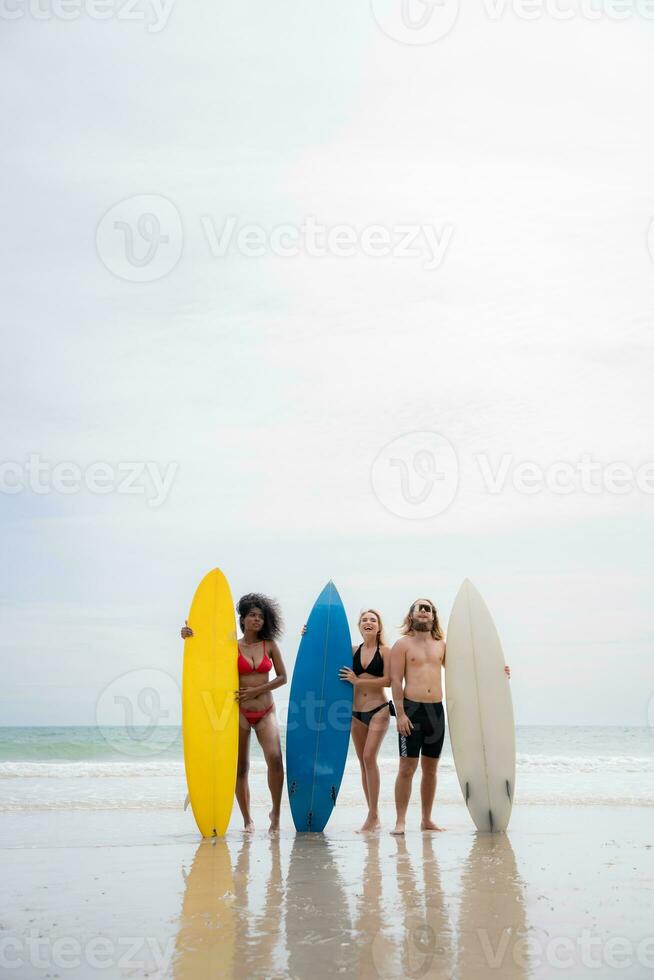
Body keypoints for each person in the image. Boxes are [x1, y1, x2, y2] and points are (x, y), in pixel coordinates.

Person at [390, 598, 510, 835]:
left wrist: (499, 672)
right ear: (411, 615)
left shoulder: (442, 646)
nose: (424, 611)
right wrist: (401, 715)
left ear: (433, 616)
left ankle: (426, 819)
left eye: (428, 608)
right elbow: (396, 681)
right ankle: (400, 821)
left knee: (431, 769)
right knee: (406, 768)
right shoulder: (402, 645)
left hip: (436, 711)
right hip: (412, 710)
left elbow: (467, 672)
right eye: (419, 607)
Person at [181, 593, 287, 833]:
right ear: (243, 619)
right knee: (240, 767)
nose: (257, 620)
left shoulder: (269, 645)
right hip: (236, 712)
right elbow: (205, 653)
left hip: (265, 711)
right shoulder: (230, 646)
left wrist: (256, 690)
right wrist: (189, 635)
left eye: (261, 616)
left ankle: (276, 814)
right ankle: (247, 819)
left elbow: (283, 677)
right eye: (252, 615)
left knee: (276, 760)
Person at [339, 609, 395, 833]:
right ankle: (373, 815)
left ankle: (372, 816)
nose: (368, 622)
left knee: (369, 756)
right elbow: (324, 648)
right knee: (363, 762)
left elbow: (388, 681)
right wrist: (307, 633)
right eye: (364, 620)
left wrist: (357, 681)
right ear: (359, 626)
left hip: (378, 709)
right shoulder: (352, 650)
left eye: (373, 620)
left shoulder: (386, 651)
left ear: (379, 627)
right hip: (355, 712)